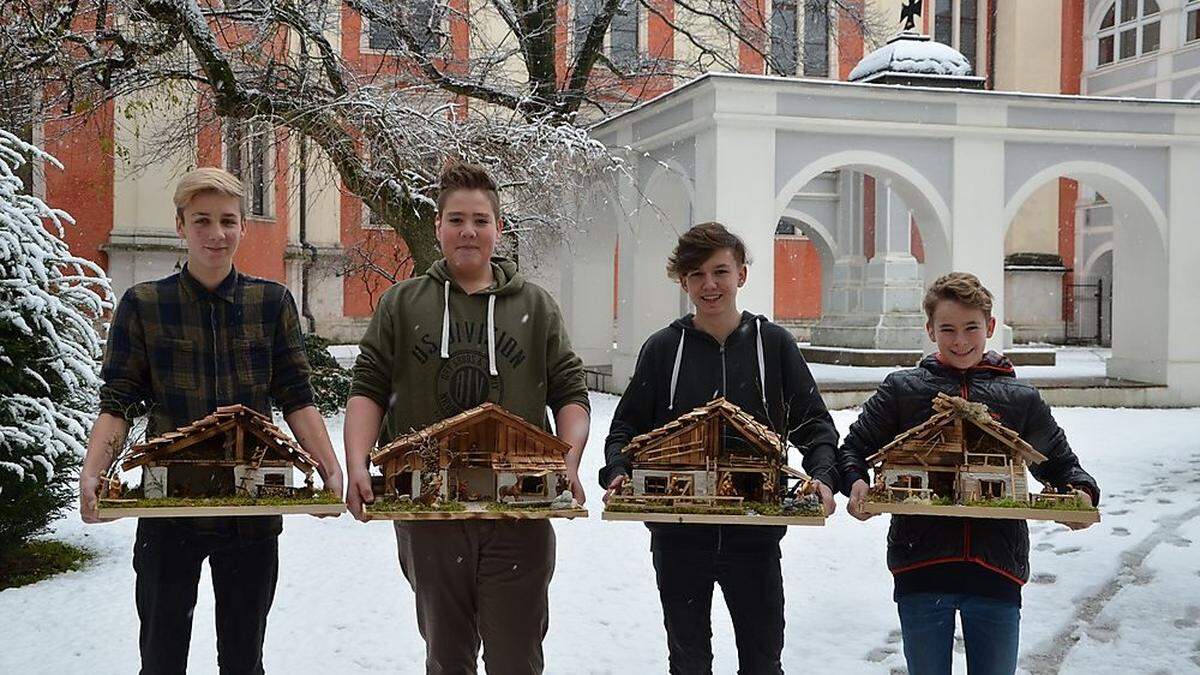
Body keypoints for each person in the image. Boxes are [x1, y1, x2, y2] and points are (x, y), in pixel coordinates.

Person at [78, 167, 343, 674]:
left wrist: (329, 471)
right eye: (202, 221)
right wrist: (94, 472)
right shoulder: (144, 305)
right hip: (168, 512)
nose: (216, 234)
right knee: (160, 657)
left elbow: (297, 397)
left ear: (244, 226)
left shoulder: (271, 303)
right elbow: (118, 402)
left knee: (244, 660)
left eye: (228, 221)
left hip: (250, 513)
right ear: (181, 226)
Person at [344, 161, 591, 675]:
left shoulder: (536, 307)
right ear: (438, 226)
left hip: (517, 514)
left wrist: (568, 461)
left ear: (498, 228)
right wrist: (356, 463)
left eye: (480, 219)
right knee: (447, 657)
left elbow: (571, 392)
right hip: (430, 514)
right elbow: (367, 387)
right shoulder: (403, 304)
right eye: (456, 219)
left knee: (515, 658)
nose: (469, 231)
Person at [597, 221, 839, 675]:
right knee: (688, 662)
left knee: (763, 661)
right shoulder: (664, 349)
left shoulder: (774, 346)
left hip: (756, 538)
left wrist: (824, 477)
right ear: (683, 281)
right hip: (678, 536)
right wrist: (618, 470)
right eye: (696, 275)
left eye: (721, 272)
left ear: (742, 275)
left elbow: (816, 426)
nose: (710, 285)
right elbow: (625, 428)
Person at [838, 271, 1100, 675]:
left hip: (996, 569)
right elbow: (853, 449)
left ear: (990, 326)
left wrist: (1080, 494)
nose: (960, 341)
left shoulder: (1019, 399)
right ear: (930, 330)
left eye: (971, 328)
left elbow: (1062, 465)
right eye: (947, 329)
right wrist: (855, 482)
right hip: (921, 567)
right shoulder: (903, 391)